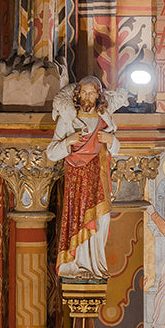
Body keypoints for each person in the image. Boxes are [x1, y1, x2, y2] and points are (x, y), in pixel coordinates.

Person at [47, 78, 127, 278]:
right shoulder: (69, 119)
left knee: (102, 219)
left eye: (91, 93)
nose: (87, 97)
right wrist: (68, 141)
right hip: (78, 179)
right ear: (77, 95)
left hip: (99, 176)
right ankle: (77, 265)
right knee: (80, 217)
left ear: (98, 95)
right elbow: (51, 153)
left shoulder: (105, 118)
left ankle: (96, 265)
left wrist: (112, 140)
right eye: (83, 93)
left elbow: (115, 148)